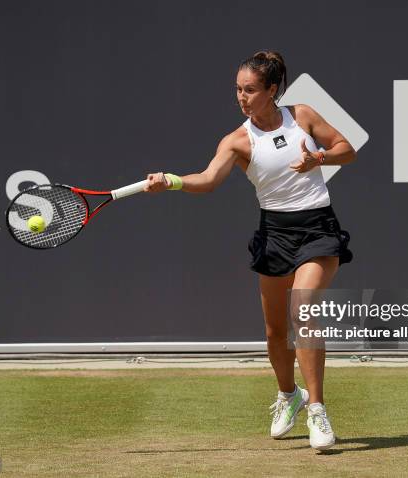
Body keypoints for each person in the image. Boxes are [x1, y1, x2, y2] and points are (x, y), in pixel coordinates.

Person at [145, 50, 356, 451]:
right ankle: (287, 394)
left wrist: (321, 158)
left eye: (250, 89)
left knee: (303, 309)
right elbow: (207, 180)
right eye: (238, 90)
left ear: (272, 90)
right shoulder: (237, 141)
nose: (241, 97)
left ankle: (317, 409)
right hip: (275, 233)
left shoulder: (304, 116)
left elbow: (349, 149)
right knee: (276, 332)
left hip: (317, 227)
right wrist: (171, 181)